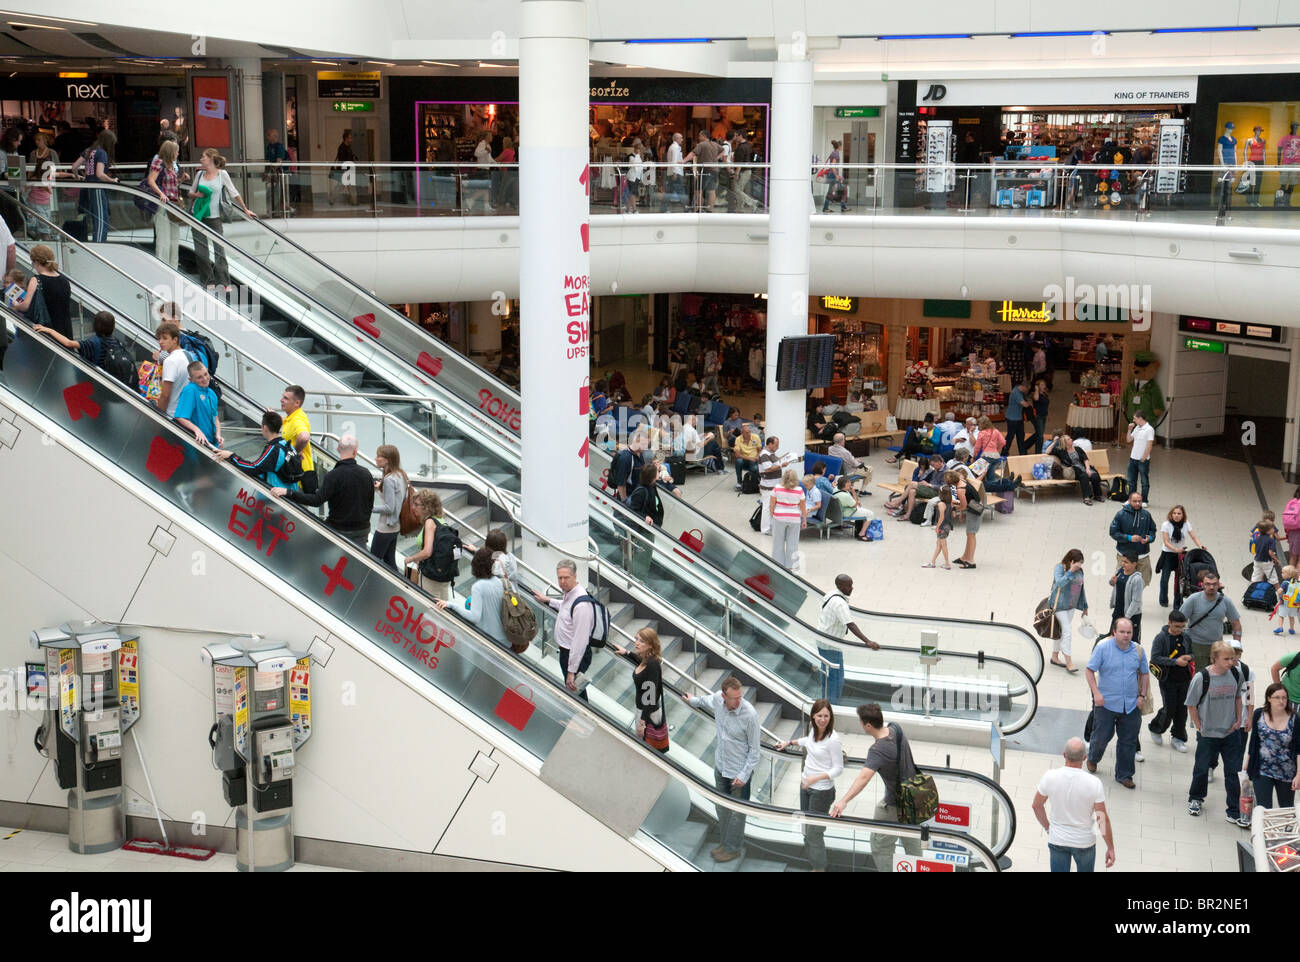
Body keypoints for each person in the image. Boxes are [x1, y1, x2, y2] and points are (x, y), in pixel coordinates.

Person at [828, 704, 924, 871]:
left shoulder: (877, 750)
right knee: (912, 842)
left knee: (880, 844)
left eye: (861, 722)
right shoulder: (895, 728)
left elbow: (863, 778)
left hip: (895, 804)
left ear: (868, 725)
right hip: (914, 796)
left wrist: (843, 801)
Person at [682, 677, 760, 862]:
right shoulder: (718, 699)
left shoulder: (750, 715)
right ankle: (725, 843)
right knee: (722, 809)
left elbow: (755, 750)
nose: (738, 701)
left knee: (737, 814)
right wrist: (691, 700)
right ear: (724, 696)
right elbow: (704, 701)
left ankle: (733, 848)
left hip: (739, 773)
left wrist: (743, 775)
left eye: (740, 696)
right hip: (721, 766)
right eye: (734, 698)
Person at [775, 699, 842, 871]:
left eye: (826, 716)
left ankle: (820, 867)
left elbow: (838, 769)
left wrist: (816, 778)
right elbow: (806, 741)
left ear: (830, 717)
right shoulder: (813, 731)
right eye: (819, 715)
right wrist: (788, 743)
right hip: (805, 787)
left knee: (814, 833)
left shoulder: (833, 739)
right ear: (813, 716)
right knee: (806, 828)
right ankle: (814, 862)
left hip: (821, 792)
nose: (823, 719)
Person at [1032, 737, 1115, 872]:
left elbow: (1036, 806)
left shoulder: (1050, 776)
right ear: (1085, 758)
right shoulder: (1094, 783)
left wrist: (1048, 828)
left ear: (1064, 755)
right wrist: (1110, 847)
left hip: (1058, 839)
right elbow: (1101, 818)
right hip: (1085, 841)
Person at [1184, 641, 1245, 823]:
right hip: (1208, 734)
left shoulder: (1236, 673)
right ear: (1215, 658)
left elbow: (1237, 697)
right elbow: (1191, 705)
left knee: (1233, 772)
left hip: (1230, 733)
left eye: (1232, 658)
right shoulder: (1202, 678)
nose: (1230, 662)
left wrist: (1238, 719)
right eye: (1226, 659)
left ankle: (1234, 809)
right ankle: (1195, 798)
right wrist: (1200, 727)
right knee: (1202, 769)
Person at [276, 434, 374, 547]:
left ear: (338, 449)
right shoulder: (366, 474)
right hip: (362, 531)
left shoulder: (333, 475)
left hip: (338, 530)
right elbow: (370, 503)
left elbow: (316, 500)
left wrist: (288, 492)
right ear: (355, 452)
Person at [1085, 617, 1149, 790]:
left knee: (1128, 741)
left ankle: (1124, 775)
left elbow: (1144, 674)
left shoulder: (1138, 651)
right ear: (1114, 632)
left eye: (1129, 632)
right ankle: (1093, 758)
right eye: (1122, 632)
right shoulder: (1103, 648)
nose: (1126, 635)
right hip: (1106, 703)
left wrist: (1141, 696)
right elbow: (1089, 671)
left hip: (1130, 705)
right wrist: (1096, 693)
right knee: (1101, 737)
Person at [187, 148, 256, 290]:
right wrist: (197, 195)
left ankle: (224, 282)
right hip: (198, 216)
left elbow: (233, 192)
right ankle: (208, 280)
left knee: (219, 250)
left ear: (211, 159)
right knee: (202, 251)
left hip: (214, 218)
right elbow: (190, 193)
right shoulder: (199, 174)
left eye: (203, 157)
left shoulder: (222, 175)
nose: (201, 159)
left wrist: (245, 209)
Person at [532, 560, 596, 700]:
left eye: (566, 577)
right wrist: (548, 600)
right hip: (567, 653)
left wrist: (571, 671)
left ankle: (581, 718)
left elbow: (580, 641)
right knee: (574, 691)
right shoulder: (570, 594)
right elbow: (566, 607)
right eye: (560, 578)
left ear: (575, 576)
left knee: (575, 691)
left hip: (573, 656)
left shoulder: (582, 605)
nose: (562, 581)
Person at [436, 547, 506, 647]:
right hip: (504, 639)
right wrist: (477, 551)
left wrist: (451, 605)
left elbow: (474, 617)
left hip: (489, 641)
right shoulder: (499, 581)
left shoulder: (478, 587)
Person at [613, 626, 668, 753]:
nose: (637, 642)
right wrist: (627, 653)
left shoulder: (653, 664)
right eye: (636, 639)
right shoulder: (646, 659)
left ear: (650, 645)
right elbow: (641, 663)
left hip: (648, 715)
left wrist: (642, 722)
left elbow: (651, 696)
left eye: (642, 641)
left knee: (648, 750)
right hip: (643, 711)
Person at [1244, 682, 1299, 808]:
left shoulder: (1295, 719)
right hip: (1262, 769)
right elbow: (1254, 741)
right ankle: (1264, 828)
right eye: (1277, 697)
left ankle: (1285, 828)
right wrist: (1248, 762)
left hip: (1287, 771)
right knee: (1264, 809)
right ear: (1269, 698)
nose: (1281, 701)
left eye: (1284, 698)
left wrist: (1299, 774)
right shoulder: (1259, 714)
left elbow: (1298, 749)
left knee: (1286, 808)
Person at [1147, 610, 1193, 753]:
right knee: (1170, 708)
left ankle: (1178, 737)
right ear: (1169, 623)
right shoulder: (1161, 638)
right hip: (1168, 679)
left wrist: (1189, 657)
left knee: (1182, 709)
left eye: (1182, 627)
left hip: (1184, 678)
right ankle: (1156, 728)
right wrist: (1175, 662)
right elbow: (1155, 658)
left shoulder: (1186, 637)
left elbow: (1192, 653)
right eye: (1176, 627)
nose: (1179, 630)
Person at [1177, 572, 1243, 669]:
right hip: (1196, 646)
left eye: (1214, 584)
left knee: (1217, 675)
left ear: (1219, 585)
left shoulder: (1226, 601)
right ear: (1202, 585)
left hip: (1217, 646)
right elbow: (1179, 620)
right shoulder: (1193, 600)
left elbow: (1236, 624)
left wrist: (1237, 647)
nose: (1211, 587)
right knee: (1199, 676)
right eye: (1208, 584)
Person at [215, 411, 299, 489]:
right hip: (290, 489)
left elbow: (254, 468)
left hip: (277, 495)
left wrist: (232, 456)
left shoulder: (274, 449)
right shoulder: (286, 444)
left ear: (265, 427)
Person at [10, 244, 71, 339]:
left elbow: (26, 306)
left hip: (46, 330)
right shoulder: (64, 280)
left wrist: (15, 306)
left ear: (37, 262)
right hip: (64, 330)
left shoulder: (37, 280)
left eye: (32, 262)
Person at [71, 128, 118, 243]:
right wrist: (112, 180)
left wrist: (79, 177)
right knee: (102, 218)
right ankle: (99, 244)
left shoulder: (88, 150)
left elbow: (74, 167)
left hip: (87, 188)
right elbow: (100, 174)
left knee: (94, 217)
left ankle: (97, 242)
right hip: (97, 188)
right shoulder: (102, 153)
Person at [368, 444, 408, 570]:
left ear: (387, 460)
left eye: (379, 456)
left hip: (385, 527)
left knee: (373, 561)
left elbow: (389, 508)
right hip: (395, 526)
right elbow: (397, 499)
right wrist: (380, 488)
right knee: (389, 561)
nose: (376, 458)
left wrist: (370, 508)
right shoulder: (400, 474)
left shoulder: (390, 480)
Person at [1049, 549, 1090, 672]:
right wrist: (1070, 571)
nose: (1080, 566)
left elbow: (1081, 588)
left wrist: (1085, 606)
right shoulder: (1060, 568)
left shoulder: (1080, 571)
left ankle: (1054, 656)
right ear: (1071, 561)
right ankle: (1069, 662)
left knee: (1061, 630)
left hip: (1071, 606)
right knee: (1067, 631)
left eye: (1081, 563)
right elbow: (1059, 584)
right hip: (1059, 606)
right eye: (1078, 563)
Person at [1157, 504, 1204, 607]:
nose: (1176, 515)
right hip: (1168, 554)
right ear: (1171, 514)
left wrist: (1200, 546)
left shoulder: (1186, 524)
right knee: (1165, 579)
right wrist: (1175, 549)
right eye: (1174, 513)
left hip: (1180, 555)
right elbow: (1166, 541)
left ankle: (1177, 602)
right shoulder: (1166, 524)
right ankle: (1163, 599)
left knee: (1179, 581)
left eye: (1179, 513)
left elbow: (1193, 536)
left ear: (1183, 515)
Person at [145, 140, 182, 269]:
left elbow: (172, 185)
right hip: (163, 205)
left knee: (174, 238)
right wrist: (161, 194)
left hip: (173, 204)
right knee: (163, 238)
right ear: (171, 151)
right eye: (176, 151)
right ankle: (163, 267)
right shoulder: (159, 162)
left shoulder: (172, 165)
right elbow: (151, 180)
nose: (178, 153)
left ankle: (173, 267)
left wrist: (182, 180)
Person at [626, 463, 664, 581]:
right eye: (657, 472)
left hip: (650, 528)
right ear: (652, 476)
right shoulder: (641, 491)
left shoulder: (652, 486)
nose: (659, 473)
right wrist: (644, 517)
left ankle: (641, 578)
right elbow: (633, 510)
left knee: (646, 556)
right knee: (643, 557)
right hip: (643, 530)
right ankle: (638, 580)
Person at [819, 575, 880, 649]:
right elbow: (850, 624)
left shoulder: (830, 594)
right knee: (832, 661)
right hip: (830, 644)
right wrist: (868, 641)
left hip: (822, 638)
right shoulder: (840, 603)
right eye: (849, 586)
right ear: (841, 586)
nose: (852, 588)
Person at [1109, 490, 1157, 585]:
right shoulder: (1121, 514)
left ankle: (1134, 597)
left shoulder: (1146, 515)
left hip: (1142, 555)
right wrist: (1129, 538)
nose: (1138, 503)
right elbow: (1113, 532)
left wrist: (1150, 538)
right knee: (1120, 581)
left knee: (1145, 580)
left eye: (1140, 501)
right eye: (1135, 501)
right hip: (1125, 555)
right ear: (1129, 501)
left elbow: (1153, 530)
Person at [172, 361, 222, 449]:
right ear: (191, 379)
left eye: (206, 374)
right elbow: (180, 417)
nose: (205, 379)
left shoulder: (211, 393)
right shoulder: (190, 390)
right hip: (197, 443)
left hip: (211, 444)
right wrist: (197, 430)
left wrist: (218, 435)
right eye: (199, 377)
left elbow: (215, 418)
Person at [279, 385, 316, 493]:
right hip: (296, 475)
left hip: (298, 478)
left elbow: (304, 437)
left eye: (286, 398)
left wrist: (294, 452)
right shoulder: (292, 417)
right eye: (282, 397)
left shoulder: (297, 419)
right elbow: (287, 423)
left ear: (297, 403)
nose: (281, 400)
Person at [769, 469, 807, 570]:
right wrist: (804, 520)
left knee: (778, 541)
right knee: (793, 542)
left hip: (779, 517)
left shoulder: (777, 488)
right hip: (794, 518)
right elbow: (803, 507)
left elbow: (772, 504)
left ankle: (777, 563)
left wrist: (772, 515)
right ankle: (792, 565)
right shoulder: (799, 490)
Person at [153, 322, 191, 417]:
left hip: (172, 414)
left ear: (175, 339)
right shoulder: (187, 355)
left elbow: (165, 396)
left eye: (165, 338)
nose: (160, 342)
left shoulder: (170, 361)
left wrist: (159, 418)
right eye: (159, 338)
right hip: (186, 412)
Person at [1109, 552, 1145, 644]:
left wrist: (1127, 617)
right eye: (1122, 561)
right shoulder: (1120, 571)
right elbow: (1114, 584)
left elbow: (1136, 601)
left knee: (1132, 642)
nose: (1123, 564)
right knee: (1113, 638)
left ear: (1134, 564)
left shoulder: (1137, 579)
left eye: (1126, 562)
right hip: (1118, 611)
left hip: (1131, 616)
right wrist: (1112, 582)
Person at [757, 435, 787, 535]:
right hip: (768, 486)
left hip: (773, 485)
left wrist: (785, 457)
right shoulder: (765, 454)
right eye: (776, 445)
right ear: (769, 444)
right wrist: (781, 465)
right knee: (767, 507)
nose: (777, 447)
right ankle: (765, 529)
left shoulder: (771, 453)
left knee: (772, 506)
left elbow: (776, 462)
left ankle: (771, 527)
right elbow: (768, 468)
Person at [1124, 410, 1155, 506]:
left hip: (1142, 460)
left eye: (1135, 418)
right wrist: (1129, 429)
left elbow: (1149, 445)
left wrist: (1144, 458)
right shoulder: (1137, 428)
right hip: (1133, 458)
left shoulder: (1149, 429)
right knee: (1131, 481)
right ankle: (1131, 500)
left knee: (1144, 481)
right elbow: (1128, 440)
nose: (1133, 420)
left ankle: (1144, 500)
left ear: (1140, 418)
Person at [610, 429, 648, 502]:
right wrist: (625, 504)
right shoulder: (625, 458)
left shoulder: (640, 454)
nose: (646, 447)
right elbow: (621, 485)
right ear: (635, 441)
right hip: (628, 497)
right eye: (643, 444)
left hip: (635, 496)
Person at [922, 486, 953, 570]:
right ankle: (933, 562)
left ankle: (947, 563)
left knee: (943, 545)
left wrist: (937, 527)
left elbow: (941, 517)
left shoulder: (940, 504)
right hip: (947, 526)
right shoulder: (949, 503)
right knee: (939, 544)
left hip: (942, 527)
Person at [1002, 379, 1031, 456]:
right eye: (1027, 389)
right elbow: (1024, 404)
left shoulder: (1018, 390)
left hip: (1017, 418)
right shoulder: (1016, 393)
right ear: (1024, 387)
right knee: (1010, 437)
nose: (1027, 392)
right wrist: (1029, 403)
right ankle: (1004, 453)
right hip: (1013, 419)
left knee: (1020, 436)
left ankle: (1022, 453)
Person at [264, 128, 289, 215]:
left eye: (275, 136)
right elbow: (267, 161)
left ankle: (278, 211)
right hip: (272, 172)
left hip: (279, 173)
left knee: (278, 192)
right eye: (271, 135)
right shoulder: (269, 147)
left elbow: (278, 161)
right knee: (271, 192)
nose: (268, 137)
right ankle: (272, 210)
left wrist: (272, 172)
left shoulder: (279, 147)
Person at [659, 132, 686, 212]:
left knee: (669, 191)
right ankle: (686, 208)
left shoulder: (674, 147)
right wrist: (675, 173)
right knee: (680, 191)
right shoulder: (675, 147)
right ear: (676, 139)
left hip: (673, 172)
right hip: (676, 173)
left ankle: (663, 209)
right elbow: (674, 160)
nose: (682, 139)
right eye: (681, 138)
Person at [1250, 520, 1281, 587]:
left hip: (1257, 560)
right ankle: (1280, 594)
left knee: (1255, 577)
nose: (1273, 529)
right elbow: (1270, 552)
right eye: (1272, 528)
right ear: (1268, 531)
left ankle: (1250, 592)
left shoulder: (1257, 538)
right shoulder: (1270, 540)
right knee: (1273, 579)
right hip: (1266, 562)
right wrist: (1276, 560)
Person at [330, 130, 357, 206]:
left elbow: (349, 157)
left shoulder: (348, 147)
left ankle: (354, 201)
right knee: (343, 186)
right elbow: (342, 160)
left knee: (348, 186)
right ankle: (332, 199)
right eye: (350, 138)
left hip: (348, 169)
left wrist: (353, 157)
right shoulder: (342, 148)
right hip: (345, 170)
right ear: (346, 138)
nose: (351, 139)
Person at [732, 422, 761, 489]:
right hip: (744, 459)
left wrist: (757, 456)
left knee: (754, 468)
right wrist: (749, 458)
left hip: (754, 459)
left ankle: (754, 482)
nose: (749, 434)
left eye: (749, 432)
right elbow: (737, 455)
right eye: (746, 432)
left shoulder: (755, 437)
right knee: (738, 461)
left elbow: (760, 450)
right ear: (742, 433)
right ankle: (739, 482)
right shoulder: (738, 439)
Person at [821, 139, 847, 213]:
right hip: (832, 175)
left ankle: (828, 207)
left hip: (832, 174)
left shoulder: (834, 153)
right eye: (841, 146)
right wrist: (836, 176)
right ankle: (841, 207)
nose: (842, 147)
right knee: (840, 189)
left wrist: (838, 175)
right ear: (839, 146)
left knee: (839, 189)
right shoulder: (836, 154)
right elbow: (832, 166)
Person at [1275, 566, 1299, 636]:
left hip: (1285, 603)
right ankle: (1291, 629)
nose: (1281, 574)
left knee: (1281, 616)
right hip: (1293, 604)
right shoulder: (1296, 582)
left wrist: (1278, 594)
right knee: (1291, 616)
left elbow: (1280, 591)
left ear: (1288, 574)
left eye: (1283, 573)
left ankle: (1280, 627)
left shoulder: (1285, 583)